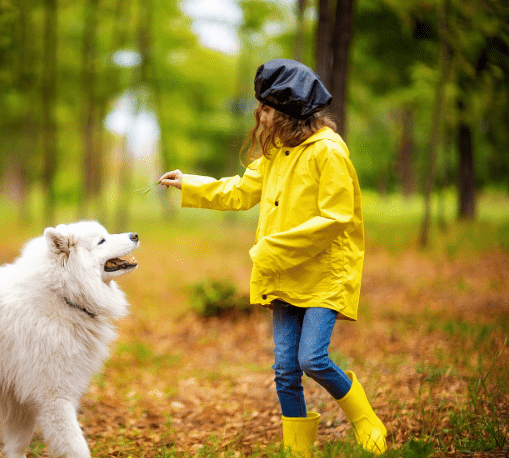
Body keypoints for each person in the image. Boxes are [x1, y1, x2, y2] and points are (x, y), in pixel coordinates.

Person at [159, 58, 387, 457]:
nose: (260, 117)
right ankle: (297, 450)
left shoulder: (328, 153)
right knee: (285, 370)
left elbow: (337, 218)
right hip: (282, 274)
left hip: (321, 273)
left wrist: (271, 249)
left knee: (312, 359)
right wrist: (189, 184)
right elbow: (240, 190)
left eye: (265, 110)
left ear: (286, 111)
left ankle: (364, 417)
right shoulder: (279, 152)